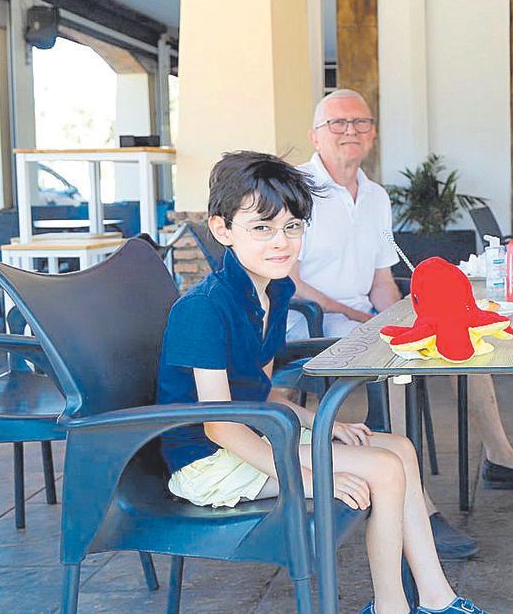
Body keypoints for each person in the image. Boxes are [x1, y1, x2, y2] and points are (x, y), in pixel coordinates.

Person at [156, 152, 488, 614]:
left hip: (252, 435)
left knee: (400, 449)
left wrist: (319, 423)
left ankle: (437, 599)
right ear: (222, 229)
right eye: (262, 228)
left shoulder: (273, 292)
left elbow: (261, 394)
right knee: (385, 470)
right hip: (208, 462)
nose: (281, 242)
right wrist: (308, 478)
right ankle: (390, 607)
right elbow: (220, 426)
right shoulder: (204, 308)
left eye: (293, 227)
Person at [286, 89, 513, 557]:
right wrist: (368, 319)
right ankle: (418, 508)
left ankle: (501, 458)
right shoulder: (296, 192)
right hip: (313, 330)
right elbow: (290, 285)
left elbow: (381, 280)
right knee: (397, 372)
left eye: (360, 122)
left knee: (467, 341)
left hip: (363, 323)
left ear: (373, 133)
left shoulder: (375, 196)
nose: (350, 131)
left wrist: (415, 316)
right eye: (337, 124)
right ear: (316, 135)